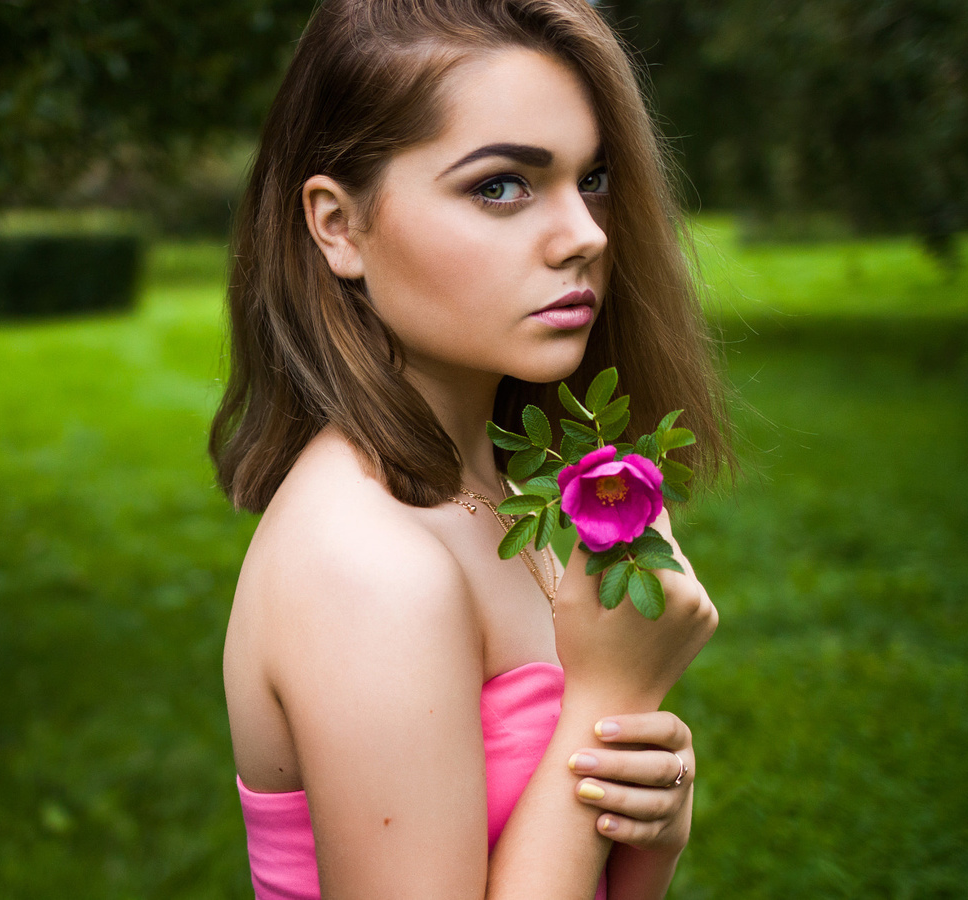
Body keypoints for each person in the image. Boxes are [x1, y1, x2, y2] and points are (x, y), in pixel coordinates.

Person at [208, 1, 728, 897]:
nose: (587, 235)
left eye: (591, 178)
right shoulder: (365, 563)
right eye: (501, 186)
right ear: (338, 225)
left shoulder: (496, 489)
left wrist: (645, 829)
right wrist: (607, 699)